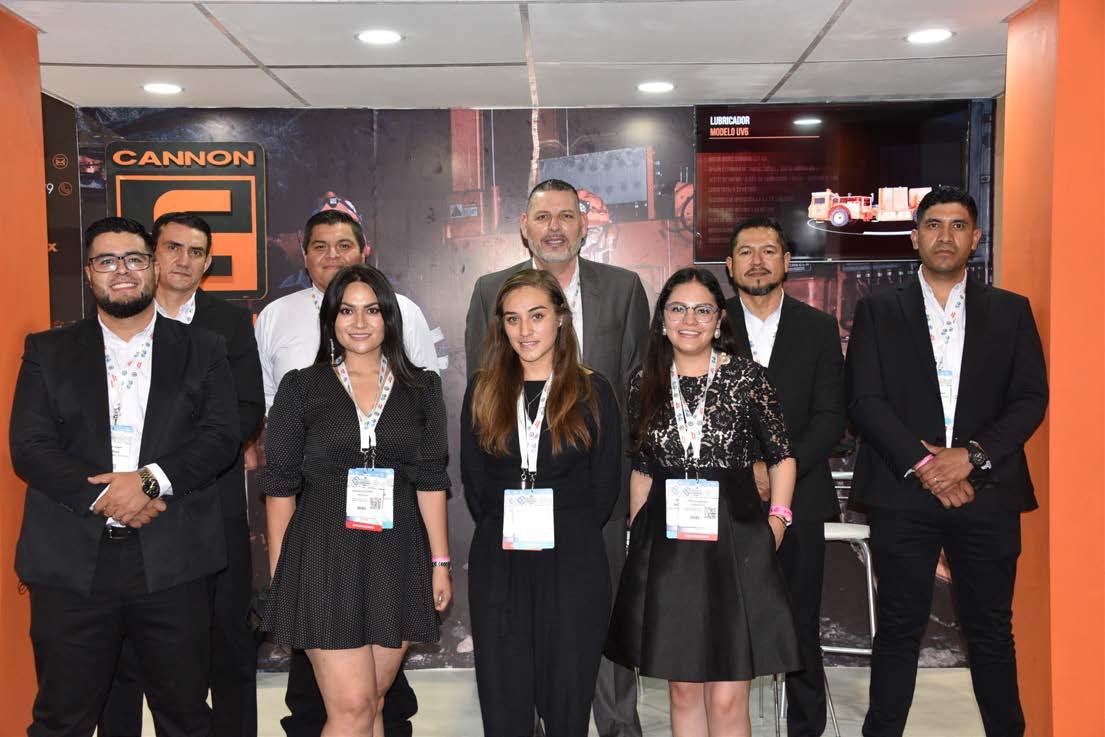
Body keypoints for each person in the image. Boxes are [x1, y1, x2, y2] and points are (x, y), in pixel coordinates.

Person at [11, 216, 240, 737]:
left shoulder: (203, 348)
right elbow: (30, 448)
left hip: (175, 559)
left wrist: (148, 482)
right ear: (88, 272)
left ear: (154, 267)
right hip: (72, 563)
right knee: (61, 719)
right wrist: (109, 498)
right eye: (106, 261)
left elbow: (220, 437)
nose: (122, 271)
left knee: (185, 717)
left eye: (134, 259)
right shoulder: (47, 351)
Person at [845, 186, 1048, 737]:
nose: (945, 236)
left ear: (975, 238)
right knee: (898, 630)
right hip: (902, 493)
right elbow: (864, 400)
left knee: (992, 631)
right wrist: (926, 465)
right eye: (933, 225)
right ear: (914, 237)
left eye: (958, 226)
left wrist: (972, 458)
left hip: (989, 493)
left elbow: (1031, 398)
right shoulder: (877, 310)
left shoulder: (1011, 311)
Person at [465, 178, 649, 737]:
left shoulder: (620, 299)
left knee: (583, 656)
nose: (525, 330)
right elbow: (476, 476)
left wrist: (579, 520)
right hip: (506, 544)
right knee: (510, 678)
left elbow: (631, 405)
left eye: (566, 215)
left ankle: (616, 725)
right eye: (542, 216)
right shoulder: (488, 310)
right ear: (524, 227)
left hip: (581, 529)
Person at [253, 208, 436, 737]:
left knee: (374, 703)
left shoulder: (416, 370)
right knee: (348, 708)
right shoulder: (287, 348)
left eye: (372, 311)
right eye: (320, 246)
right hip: (321, 549)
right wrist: (283, 570)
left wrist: (439, 561)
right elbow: (279, 479)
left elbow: (428, 468)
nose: (360, 321)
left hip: (392, 550)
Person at [606, 267, 801, 737]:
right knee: (683, 690)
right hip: (668, 551)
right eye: (677, 309)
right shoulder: (643, 383)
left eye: (702, 310)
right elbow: (642, 466)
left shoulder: (748, 379)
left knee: (728, 695)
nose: (689, 320)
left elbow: (781, 456)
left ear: (719, 320)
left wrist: (777, 522)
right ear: (662, 320)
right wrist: (637, 537)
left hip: (736, 544)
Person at [97, 212, 266, 737]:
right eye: (173, 247)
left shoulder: (228, 323)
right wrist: (139, 481)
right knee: (122, 654)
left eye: (195, 252)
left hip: (211, 503)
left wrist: (167, 468)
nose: (183, 260)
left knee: (229, 646)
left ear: (208, 263)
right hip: (126, 509)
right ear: (152, 254)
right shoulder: (115, 317)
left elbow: (246, 410)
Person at [724, 217, 847, 737]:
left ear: (787, 262)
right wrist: (745, 470)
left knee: (800, 625)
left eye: (768, 251)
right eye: (745, 252)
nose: (757, 261)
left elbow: (830, 417)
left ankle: (805, 727)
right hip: (724, 499)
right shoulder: (709, 323)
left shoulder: (817, 328)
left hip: (802, 500)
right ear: (729, 266)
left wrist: (779, 474)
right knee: (722, 625)